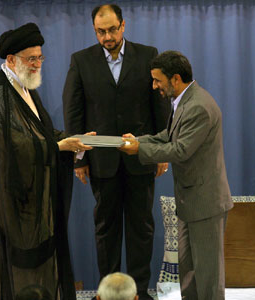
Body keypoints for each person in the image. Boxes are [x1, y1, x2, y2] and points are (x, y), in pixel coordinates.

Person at [0, 23, 93, 300]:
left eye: (40, 57)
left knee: (43, 265)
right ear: (11, 60)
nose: (38, 64)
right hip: (11, 204)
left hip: (35, 202)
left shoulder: (25, 89)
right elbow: (11, 147)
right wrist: (58, 146)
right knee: (20, 273)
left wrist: (70, 139)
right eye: (32, 59)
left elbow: (40, 132)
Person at [62, 4, 170, 299]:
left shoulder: (148, 55)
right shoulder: (81, 61)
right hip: (101, 162)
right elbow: (74, 113)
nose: (107, 36)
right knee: (106, 230)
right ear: (94, 30)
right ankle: (108, 292)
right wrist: (78, 160)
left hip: (140, 158)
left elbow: (160, 106)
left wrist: (160, 151)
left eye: (112, 29)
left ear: (123, 26)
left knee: (141, 229)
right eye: (101, 31)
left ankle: (137, 292)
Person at [119, 51, 233, 300]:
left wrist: (140, 149)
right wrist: (136, 140)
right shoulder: (184, 101)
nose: (154, 86)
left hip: (205, 203)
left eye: (158, 80)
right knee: (189, 270)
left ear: (176, 78)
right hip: (190, 202)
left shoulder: (199, 106)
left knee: (208, 275)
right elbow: (168, 136)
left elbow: (179, 150)